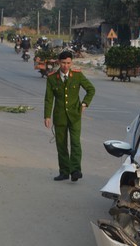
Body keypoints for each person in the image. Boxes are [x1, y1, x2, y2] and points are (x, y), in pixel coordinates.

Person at [44, 50, 95, 182]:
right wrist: (47, 116)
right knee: (61, 145)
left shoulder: (77, 76)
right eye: (63, 63)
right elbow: (49, 99)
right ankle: (64, 171)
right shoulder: (51, 78)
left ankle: (76, 170)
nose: (66, 66)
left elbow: (91, 89)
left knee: (75, 143)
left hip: (75, 115)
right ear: (58, 62)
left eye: (68, 63)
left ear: (71, 62)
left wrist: (84, 104)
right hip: (59, 116)